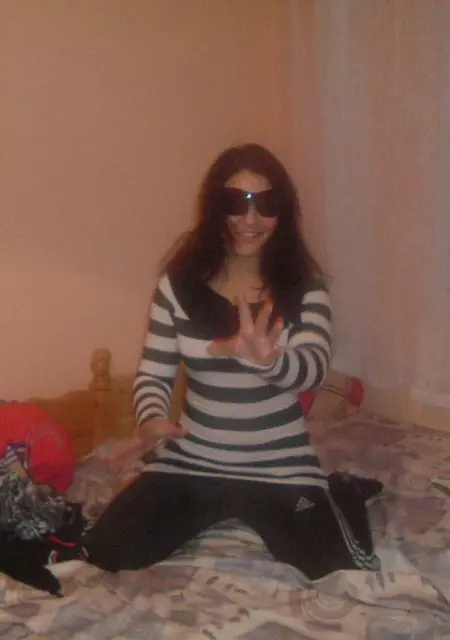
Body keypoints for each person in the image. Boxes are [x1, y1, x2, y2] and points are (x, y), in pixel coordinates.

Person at [79, 143, 379, 579]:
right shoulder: (176, 288)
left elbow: (313, 366)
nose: (250, 220)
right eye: (236, 202)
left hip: (280, 467)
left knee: (340, 572)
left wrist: (270, 361)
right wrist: (150, 420)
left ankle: (343, 493)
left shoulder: (305, 287)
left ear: (284, 211)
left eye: (266, 204)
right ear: (214, 207)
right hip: (193, 461)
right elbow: (154, 373)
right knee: (104, 552)